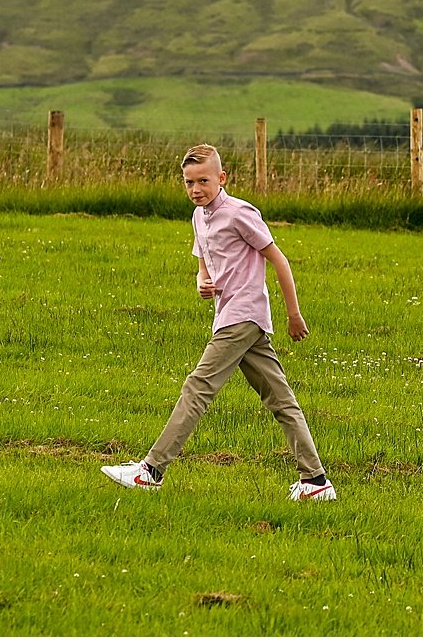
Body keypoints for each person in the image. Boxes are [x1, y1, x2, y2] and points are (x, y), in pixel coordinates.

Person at [102, 144, 335, 501]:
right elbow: (203, 262)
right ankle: (316, 482)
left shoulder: (240, 213)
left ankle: (151, 470)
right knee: (281, 400)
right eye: (189, 182)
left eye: (203, 181)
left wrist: (294, 314)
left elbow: (280, 260)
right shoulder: (199, 217)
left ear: (221, 178)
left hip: (243, 316)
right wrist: (202, 282)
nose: (196, 189)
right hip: (232, 316)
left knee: (197, 387)